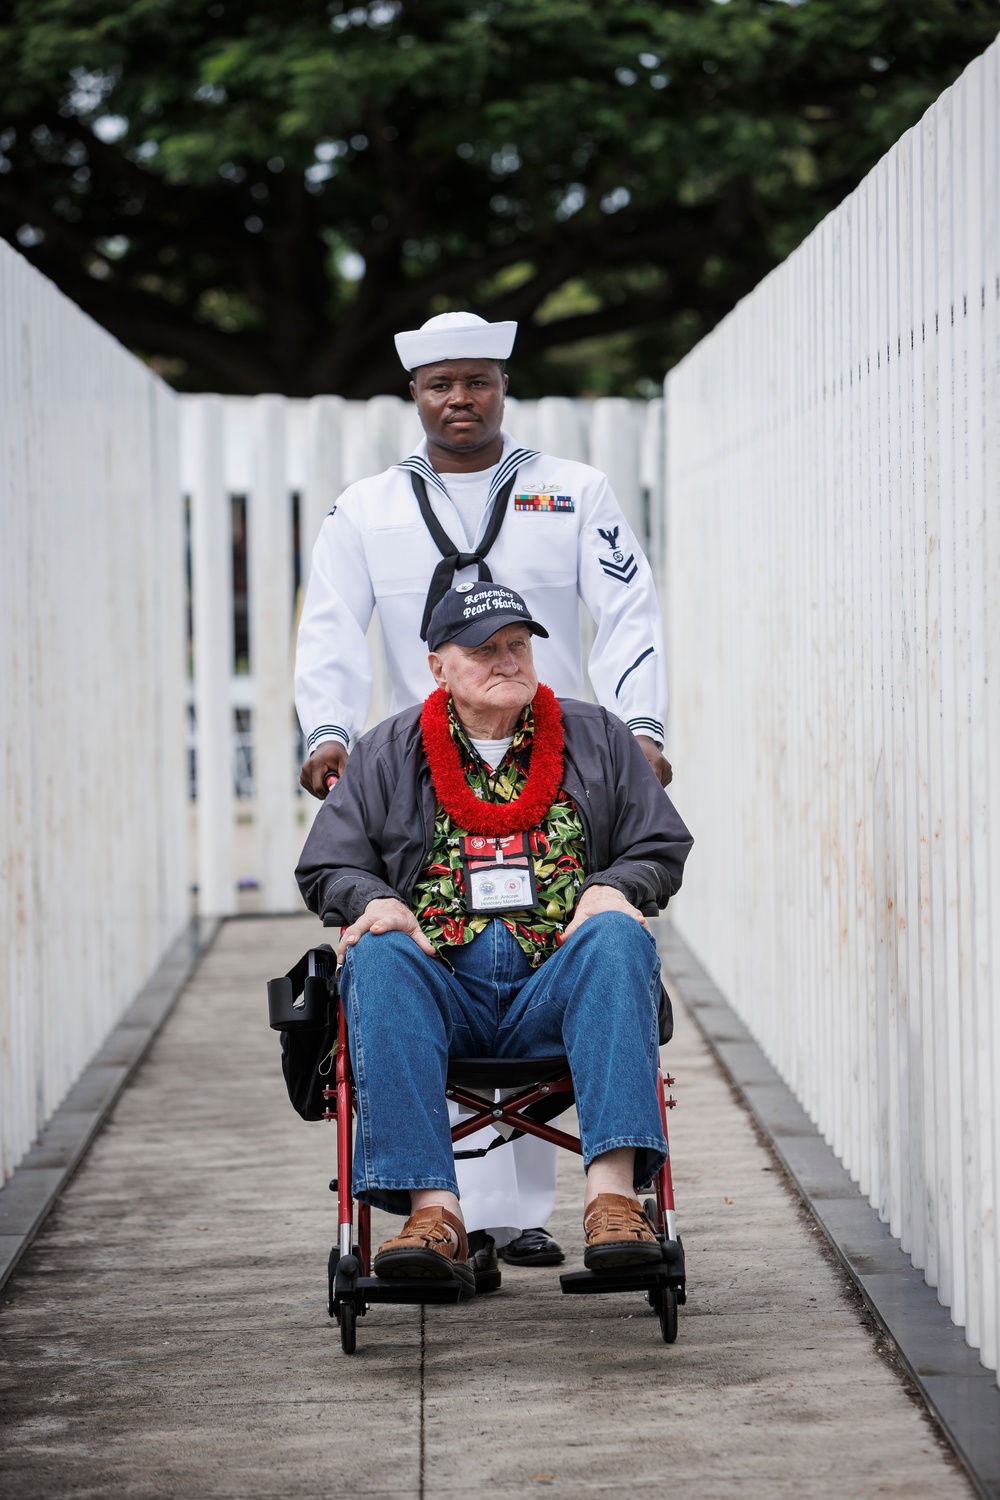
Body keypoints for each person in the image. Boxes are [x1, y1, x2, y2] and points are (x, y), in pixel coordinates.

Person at [295, 309, 671, 1268]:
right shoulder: (365, 507)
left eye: (478, 381)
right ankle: (447, 1211)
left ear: (503, 386)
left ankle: (548, 1213)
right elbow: (331, 629)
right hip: (426, 759)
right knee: (418, 940)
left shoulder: (572, 491)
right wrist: (330, 736)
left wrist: (641, 732)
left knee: (573, 934)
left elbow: (627, 614)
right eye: (438, 384)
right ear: (414, 395)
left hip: (563, 762)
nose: (459, 399)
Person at [295, 586, 692, 1290]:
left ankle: (614, 1202)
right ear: (437, 666)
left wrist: (617, 886)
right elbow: (329, 863)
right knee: (376, 951)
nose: (507, 661)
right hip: (443, 992)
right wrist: (376, 898)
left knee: (616, 936)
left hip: (559, 986)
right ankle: (434, 1214)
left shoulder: (597, 736)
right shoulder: (387, 751)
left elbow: (659, 843)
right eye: (483, 650)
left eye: (518, 646)